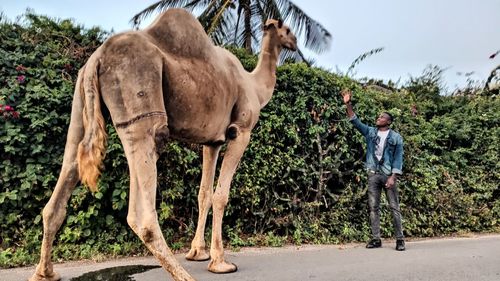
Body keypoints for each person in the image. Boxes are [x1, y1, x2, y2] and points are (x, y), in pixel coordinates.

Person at [341, 89, 405, 251]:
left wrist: (393, 177)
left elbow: (398, 158)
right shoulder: (370, 132)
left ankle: (400, 239)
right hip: (373, 175)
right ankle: (376, 239)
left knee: (394, 207)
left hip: (388, 175)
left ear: (389, 121)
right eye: (379, 116)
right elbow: (355, 121)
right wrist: (348, 103)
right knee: (373, 208)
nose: (379, 118)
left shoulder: (396, 137)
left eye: (382, 117)